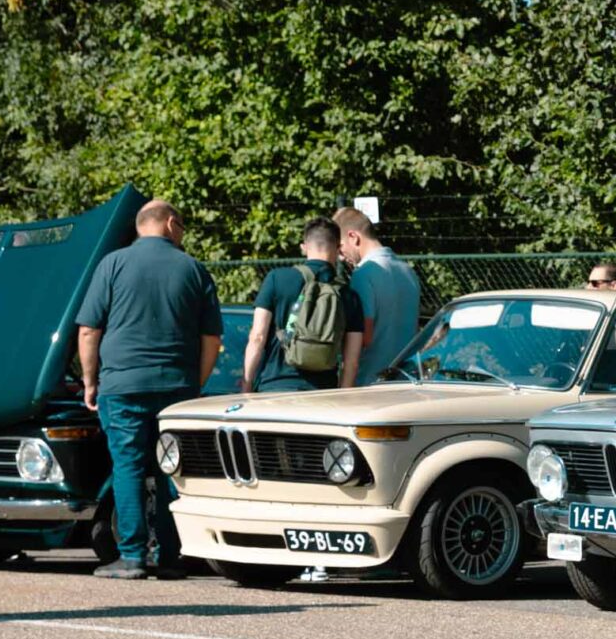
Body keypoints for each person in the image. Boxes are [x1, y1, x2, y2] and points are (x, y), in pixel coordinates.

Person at [75, 200, 221, 581]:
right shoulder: (194, 269)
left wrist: (90, 382)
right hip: (177, 387)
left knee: (128, 466)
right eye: (182, 226)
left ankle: (132, 555)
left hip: (122, 385)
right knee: (171, 468)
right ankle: (171, 557)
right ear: (170, 223)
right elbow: (211, 339)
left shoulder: (112, 264)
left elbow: (88, 330)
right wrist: (196, 384)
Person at [243, 217, 367, 394]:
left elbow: (257, 337)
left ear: (304, 247)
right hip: (323, 393)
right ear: (338, 248)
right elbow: (351, 362)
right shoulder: (348, 295)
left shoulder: (276, 279)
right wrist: (342, 396)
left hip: (275, 388)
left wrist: (246, 386)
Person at [333, 205, 421, 375]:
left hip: (370, 379)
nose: (341, 257)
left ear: (353, 237)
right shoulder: (408, 271)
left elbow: (363, 337)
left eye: (341, 247)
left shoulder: (363, 274)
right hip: (405, 377)